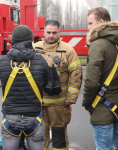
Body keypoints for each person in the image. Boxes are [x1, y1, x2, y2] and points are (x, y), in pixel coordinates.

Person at [82, 7, 118, 150]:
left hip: (102, 107)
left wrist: (87, 103)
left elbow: (91, 82)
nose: (89, 27)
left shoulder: (97, 45)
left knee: (104, 147)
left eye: (90, 23)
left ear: (101, 21)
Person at [0, 25, 49, 150]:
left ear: (12, 41)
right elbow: (45, 83)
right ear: (31, 41)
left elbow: (2, 78)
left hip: (10, 117)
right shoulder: (40, 61)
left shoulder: (2, 61)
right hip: (34, 116)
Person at [33, 19, 82, 150]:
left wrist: (71, 98)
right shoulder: (35, 48)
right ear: (43, 31)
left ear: (59, 32)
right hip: (39, 102)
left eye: (54, 32)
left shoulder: (68, 50)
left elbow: (76, 74)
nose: (51, 35)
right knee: (39, 136)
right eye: (48, 32)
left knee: (59, 136)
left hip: (59, 104)